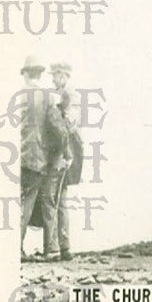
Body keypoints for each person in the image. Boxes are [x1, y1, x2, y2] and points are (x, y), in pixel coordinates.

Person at [18, 55, 70, 262]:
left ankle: (16, 248)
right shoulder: (47, 97)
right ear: (40, 74)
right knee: (45, 202)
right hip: (40, 158)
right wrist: (65, 152)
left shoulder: (18, 96)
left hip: (19, 157)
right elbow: (58, 129)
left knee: (25, 202)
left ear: (26, 74)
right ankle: (53, 249)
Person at [50, 63, 84, 261]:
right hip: (65, 151)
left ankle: (60, 247)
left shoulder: (69, 95)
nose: (53, 79)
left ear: (63, 76)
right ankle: (63, 246)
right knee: (59, 198)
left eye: (55, 76)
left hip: (66, 152)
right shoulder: (66, 95)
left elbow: (69, 125)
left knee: (58, 198)